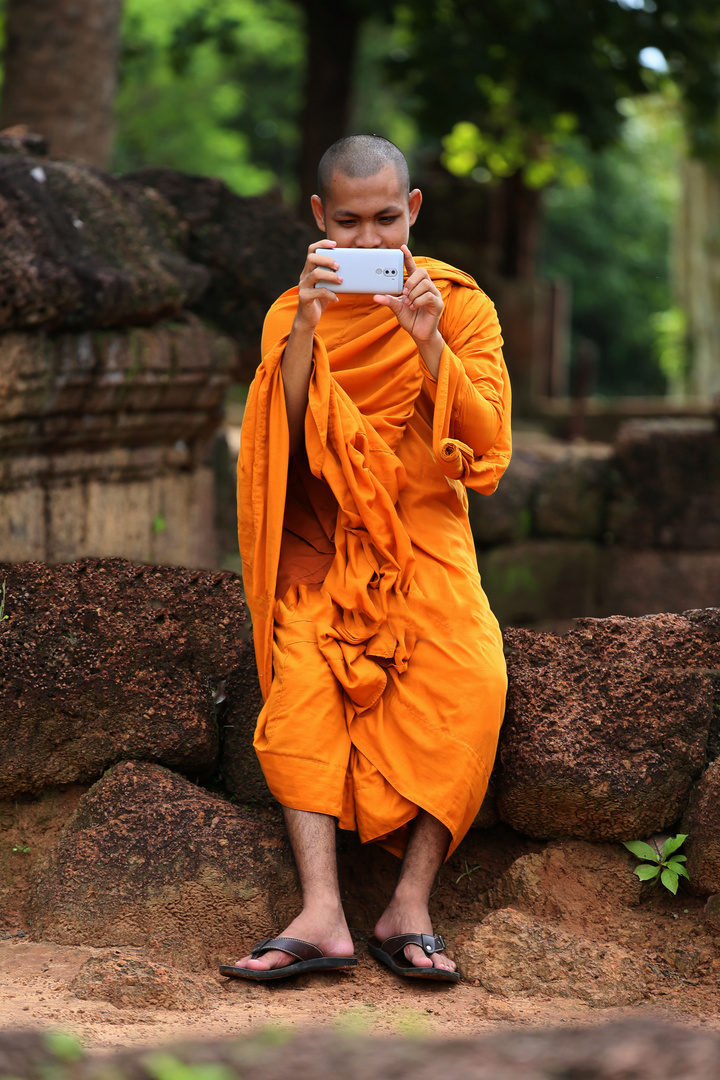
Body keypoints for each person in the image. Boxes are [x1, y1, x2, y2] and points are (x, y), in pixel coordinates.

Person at [221, 135, 511, 983]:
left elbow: (488, 449)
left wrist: (429, 346)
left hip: (424, 535)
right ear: (319, 218)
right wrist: (307, 332)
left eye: (388, 218)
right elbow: (292, 456)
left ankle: (408, 904)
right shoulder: (291, 311)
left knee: (475, 680)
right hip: (329, 539)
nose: (371, 240)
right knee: (303, 683)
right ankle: (322, 913)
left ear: (412, 209)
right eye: (348, 222)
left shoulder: (459, 304)